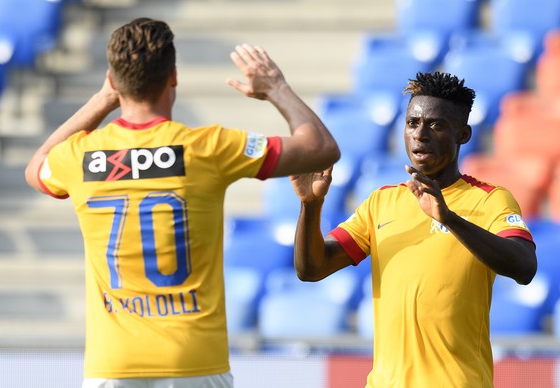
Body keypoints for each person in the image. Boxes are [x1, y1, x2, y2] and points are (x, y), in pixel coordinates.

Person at [25, 18, 339, 388]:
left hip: (113, 363)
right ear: (173, 76)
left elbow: (36, 168)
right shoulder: (207, 147)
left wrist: (102, 99)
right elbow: (321, 148)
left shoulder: (79, 156)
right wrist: (276, 88)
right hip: (194, 361)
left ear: (113, 79)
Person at [290, 71, 537, 388]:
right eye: (412, 123)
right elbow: (311, 268)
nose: (420, 134)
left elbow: (525, 266)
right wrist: (310, 206)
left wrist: (449, 218)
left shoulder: (490, 200)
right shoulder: (381, 202)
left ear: (463, 134)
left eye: (436, 124)